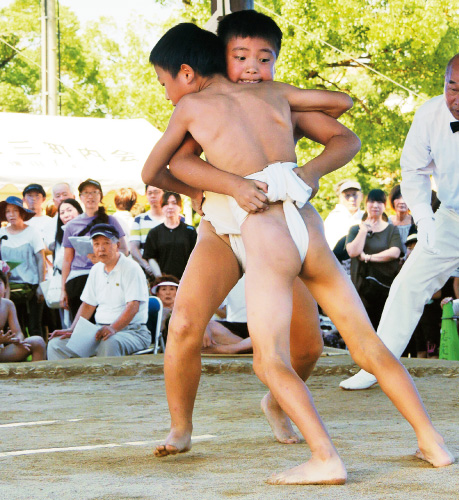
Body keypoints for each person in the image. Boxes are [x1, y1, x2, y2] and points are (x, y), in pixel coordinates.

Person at [143, 22, 454, 481]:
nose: (251, 68)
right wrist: (215, 189)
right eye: (241, 58)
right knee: (359, 341)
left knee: (281, 356)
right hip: (266, 222)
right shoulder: (272, 97)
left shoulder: (231, 100)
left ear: (186, 73)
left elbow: (157, 168)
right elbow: (178, 165)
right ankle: (434, 443)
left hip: (268, 226)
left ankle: (324, 456)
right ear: (219, 57)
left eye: (263, 59)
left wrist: (305, 171)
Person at [340, 53, 459, 391]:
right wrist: (424, 217)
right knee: (407, 285)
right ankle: (377, 366)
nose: (457, 99)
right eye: (452, 88)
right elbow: (414, 171)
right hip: (451, 216)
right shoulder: (430, 114)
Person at [48, 224, 151, 359]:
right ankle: (69, 381)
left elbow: (133, 306)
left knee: (108, 342)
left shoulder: (131, 268)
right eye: (96, 244)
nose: (101, 249)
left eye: (106, 243)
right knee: (56, 345)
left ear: (117, 245)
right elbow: (88, 305)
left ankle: (107, 381)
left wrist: (113, 328)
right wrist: (72, 329)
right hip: (99, 331)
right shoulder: (96, 270)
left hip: (132, 332)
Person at [60, 179, 127, 321]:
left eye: (94, 192)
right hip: (79, 276)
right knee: (81, 323)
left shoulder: (111, 220)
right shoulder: (72, 225)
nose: (90, 196)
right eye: (86, 193)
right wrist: (63, 290)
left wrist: (106, 257)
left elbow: (124, 250)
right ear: (81, 197)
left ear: (100, 196)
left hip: (106, 272)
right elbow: (67, 260)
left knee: (104, 320)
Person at [346, 189, 403, 329]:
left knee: (384, 329)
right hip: (362, 291)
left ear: (384, 206)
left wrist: (369, 257)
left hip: (385, 289)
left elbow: (395, 252)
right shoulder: (355, 229)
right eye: (372, 201)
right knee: (363, 329)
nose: (375, 205)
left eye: (380, 202)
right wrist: (364, 230)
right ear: (366, 204)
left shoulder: (391, 230)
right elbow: (353, 252)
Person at [0, 196, 46, 338]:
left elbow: (40, 259)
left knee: (34, 326)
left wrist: (41, 285)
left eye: (15, 210)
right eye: (8, 211)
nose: (11, 214)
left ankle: (39, 357)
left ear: (22, 213)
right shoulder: (1, 233)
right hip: (10, 288)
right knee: (14, 328)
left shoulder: (33, 232)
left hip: (31, 286)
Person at [143, 192, 197, 279]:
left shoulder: (190, 231)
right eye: (166, 204)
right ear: (161, 207)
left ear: (180, 207)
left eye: (174, 203)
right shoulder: (154, 233)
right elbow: (151, 257)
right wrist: (160, 278)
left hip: (186, 280)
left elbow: (196, 257)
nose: (170, 207)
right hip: (164, 283)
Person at [0, 271, 46, 362]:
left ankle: (36, 375)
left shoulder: (8, 304)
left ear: (5, 288)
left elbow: (18, 332)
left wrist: (18, 340)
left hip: (1, 353)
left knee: (38, 342)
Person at [54, 199, 84, 328]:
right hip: (68, 284)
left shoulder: (86, 231)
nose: (66, 215)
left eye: (69, 210)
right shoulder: (60, 236)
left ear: (79, 211)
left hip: (82, 282)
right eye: (62, 212)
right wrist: (63, 290)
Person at [129, 185, 165, 278]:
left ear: (164, 194)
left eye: (156, 192)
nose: (153, 196)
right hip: (147, 274)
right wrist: (147, 267)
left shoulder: (178, 218)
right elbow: (133, 248)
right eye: (150, 193)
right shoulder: (139, 219)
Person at [324, 179, 364, 252]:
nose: (352, 199)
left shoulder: (366, 217)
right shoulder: (333, 219)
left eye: (354, 195)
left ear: (361, 196)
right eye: (347, 196)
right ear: (340, 198)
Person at [22, 183, 55, 250]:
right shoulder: (19, 221)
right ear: (24, 199)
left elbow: (53, 246)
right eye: (29, 195)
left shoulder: (51, 221)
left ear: (43, 199)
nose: (33, 199)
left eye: (37, 196)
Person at [152, 274, 180, 339]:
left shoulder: (185, 311)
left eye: (172, 289)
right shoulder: (152, 312)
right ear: (157, 293)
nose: (168, 293)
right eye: (164, 289)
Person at [388, 184, 414, 254]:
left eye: (405, 198)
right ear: (392, 201)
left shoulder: (416, 223)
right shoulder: (386, 222)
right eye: (398, 198)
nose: (402, 201)